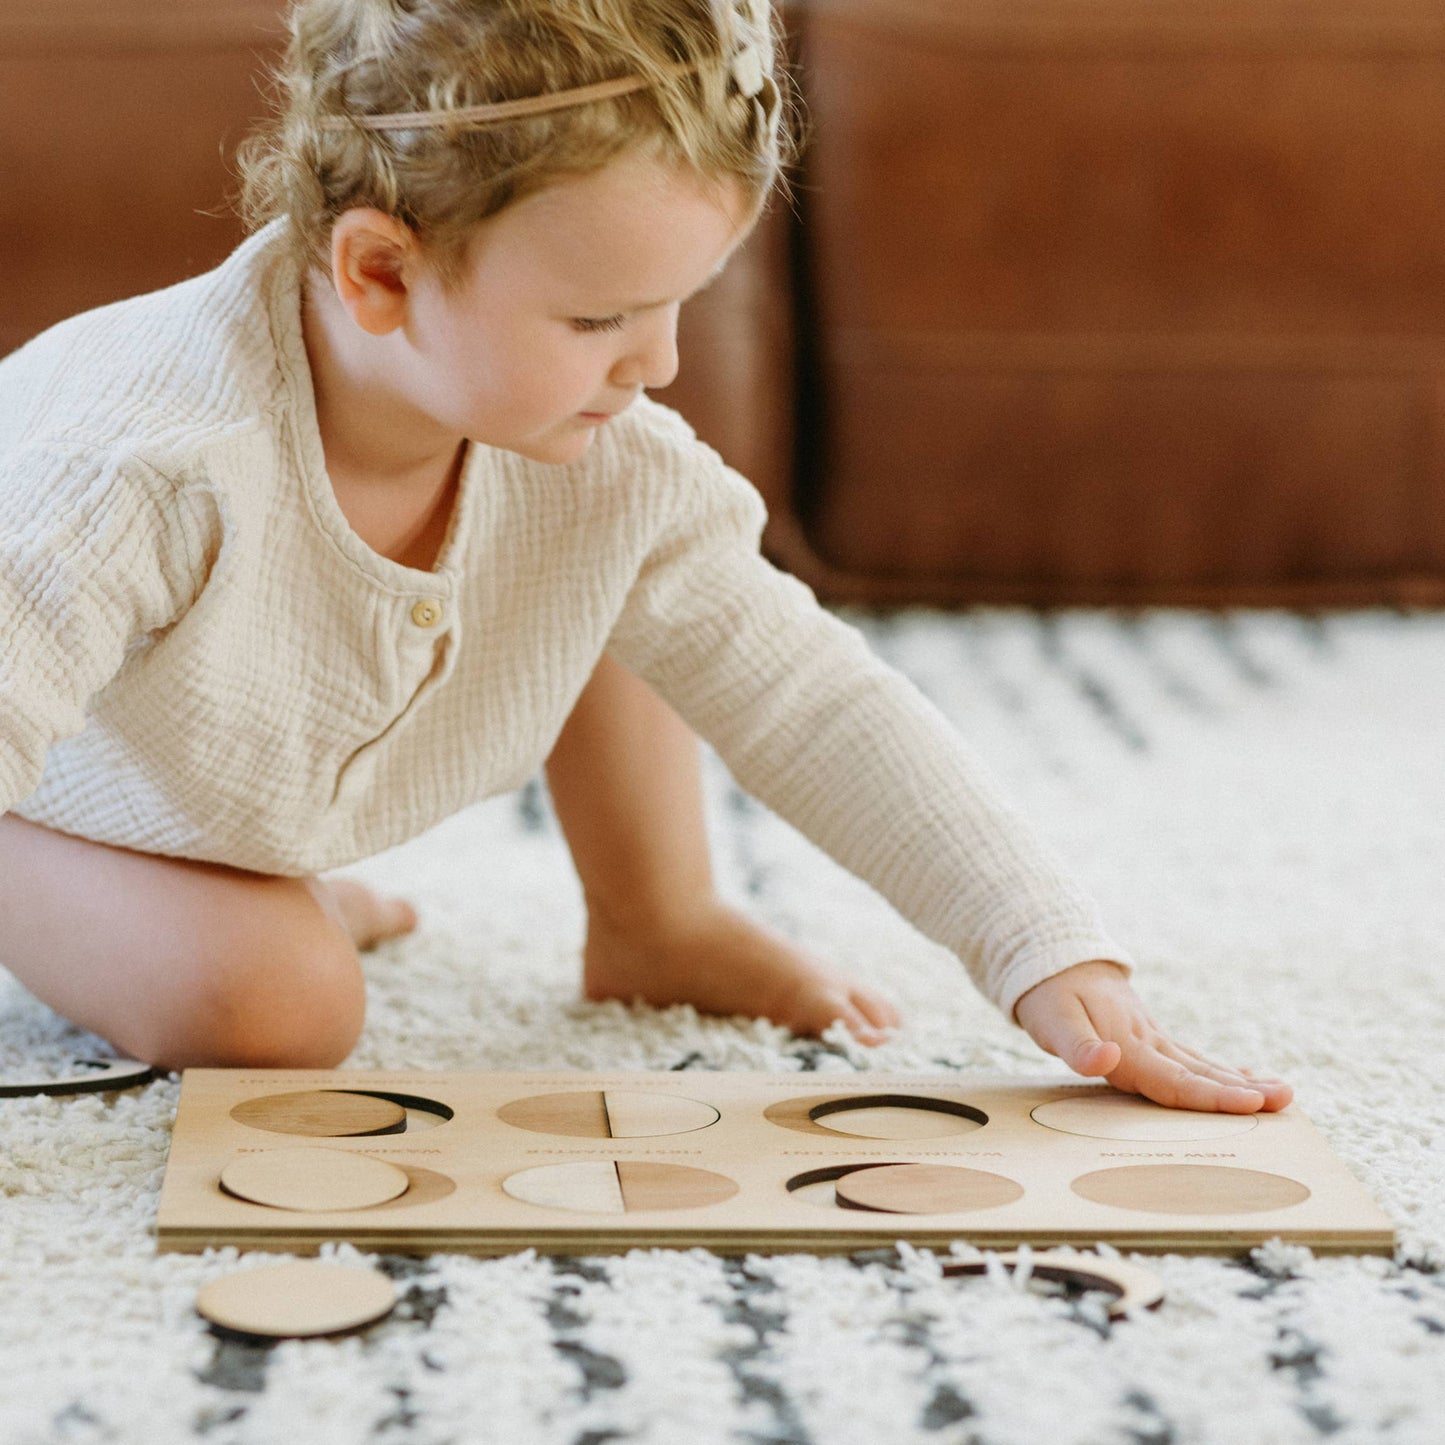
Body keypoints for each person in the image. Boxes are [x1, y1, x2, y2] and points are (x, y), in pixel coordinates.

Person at [0, 0, 1290, 1115]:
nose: (659, 365)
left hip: (246, 772)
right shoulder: (144, 467)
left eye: (684, 303)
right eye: (602, 317)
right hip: (48, 779)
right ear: (382, 272)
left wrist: (1047, 953)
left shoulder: (587, 448)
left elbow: (811, 695)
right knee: (282, 1006)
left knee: (605, 540)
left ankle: (654, 920)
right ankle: (95, 884)